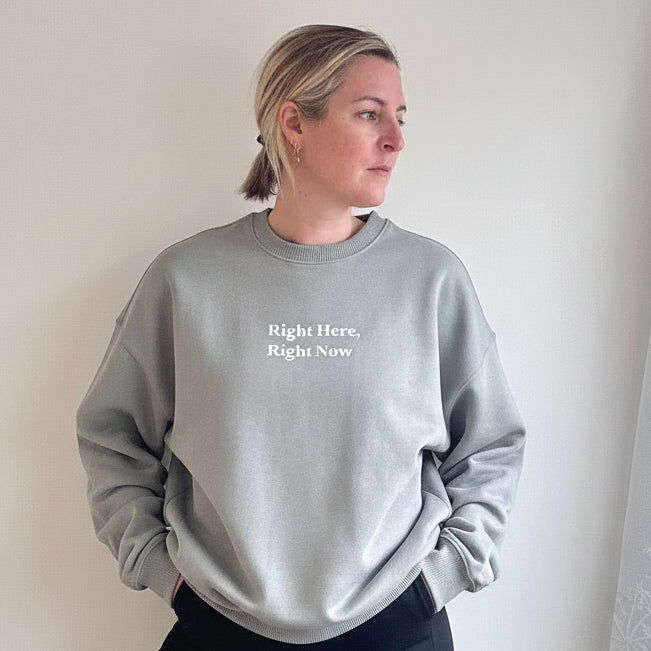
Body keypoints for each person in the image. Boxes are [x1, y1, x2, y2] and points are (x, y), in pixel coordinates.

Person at [77, 24, 525, 650]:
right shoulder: (186, 280)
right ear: (294, 123)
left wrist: (440, 579)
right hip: (220, 630)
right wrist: (163, 573)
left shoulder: (431, 280)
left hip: (398, 628)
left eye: (399, 118)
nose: (395, 140)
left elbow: (491, 445)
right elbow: (112, 436)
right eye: (369, 114)